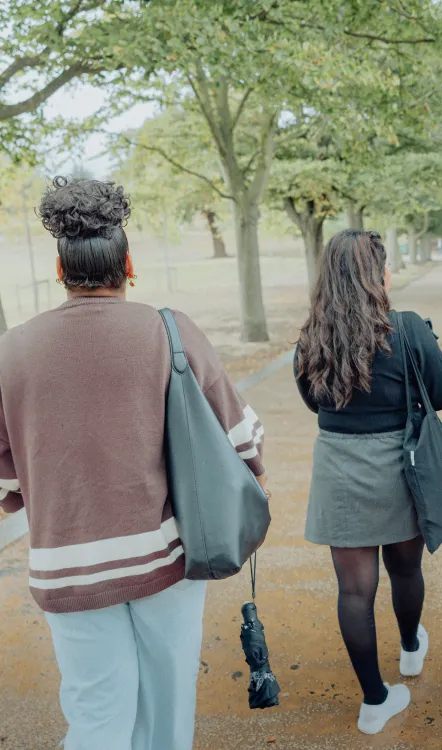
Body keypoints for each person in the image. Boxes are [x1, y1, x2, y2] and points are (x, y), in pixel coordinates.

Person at [0, 177, 268, 750]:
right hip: (164, 557)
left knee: (96, 717)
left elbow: (8, 478)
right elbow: (243, 443)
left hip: (65, 565)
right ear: (128, 263)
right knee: (168, 706)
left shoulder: (12, 350)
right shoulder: (169, 330)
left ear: (59, 269)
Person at [295, 229, 442, 735]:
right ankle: (410, 648)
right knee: (405, 570)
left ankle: (374, 701)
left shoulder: (310, 338)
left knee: (354, 589)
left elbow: (312, 400)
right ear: (378, 276)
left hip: (339, 468)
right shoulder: (406, 328)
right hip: (399, 465)